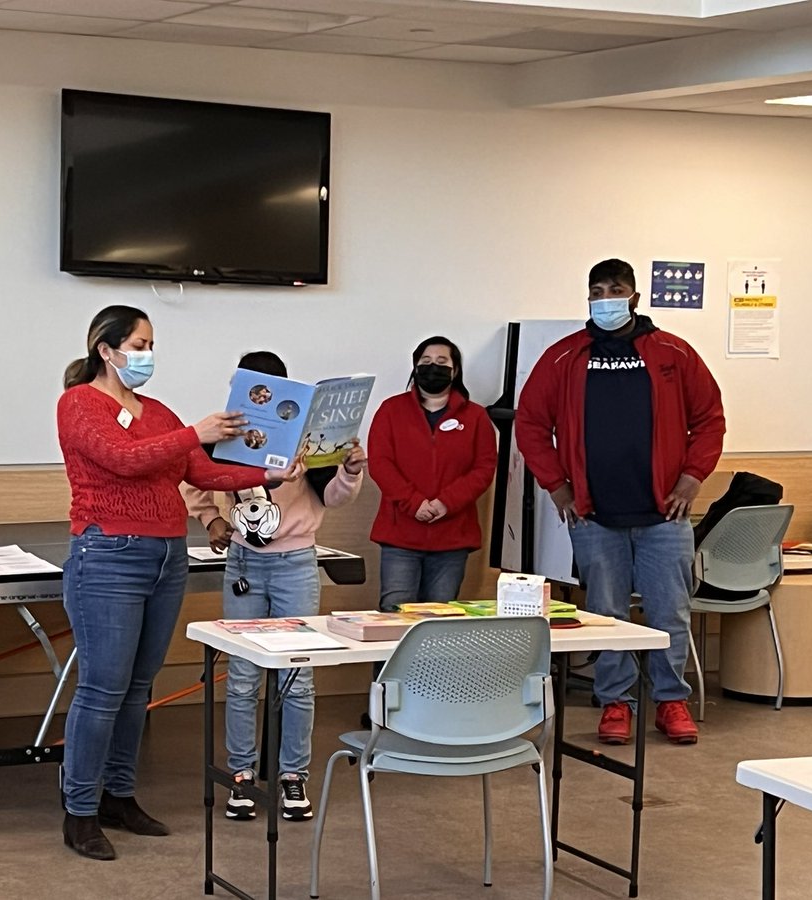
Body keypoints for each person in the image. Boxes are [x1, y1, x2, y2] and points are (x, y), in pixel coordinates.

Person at [57, 307, 303, 861]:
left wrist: (269, 473)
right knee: (102, 689)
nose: (148, 355)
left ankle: (118, 796)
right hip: (108, 557)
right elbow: (122, 459)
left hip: (167, 557)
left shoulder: (158, 410)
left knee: (139, 687)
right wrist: (197, 431)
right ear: (107, 349)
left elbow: (204, 472)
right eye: (139, 344)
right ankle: (79, 810)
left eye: (150, 344)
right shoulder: (78, 404)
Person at [516, 259, 725, 746]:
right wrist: (557, 485)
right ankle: (615, 703)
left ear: (634, 296)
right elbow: (529, 423)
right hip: (593, 514)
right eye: (596, 290)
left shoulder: (673, 353)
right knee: (606, 614)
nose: (606, 297)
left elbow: (710, 419)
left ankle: (670, 701)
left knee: (668, 611)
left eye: (616, 289)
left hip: (664, 514)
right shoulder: (564, 357)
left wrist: (693, 479)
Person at [184, 350, 365, 823]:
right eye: (253, 387)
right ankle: (241, 776)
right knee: (242, 675)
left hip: (295, 563)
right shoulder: (226, 430)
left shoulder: (306, 435)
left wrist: (349, 468)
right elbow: (193, 478)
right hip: (244, 561)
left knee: (296, 675)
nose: (262, 396)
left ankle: (292, 776)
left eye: (270, 388)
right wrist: (209, 520)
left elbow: (335, 496)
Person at [367, 336, 497, 611]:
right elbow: (380, 464)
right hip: (400, 535)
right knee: (394, 612)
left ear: (455, 370)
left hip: (452, 537)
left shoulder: (475, 417)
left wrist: (445, 503)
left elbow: (484, 469)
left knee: (439, 618)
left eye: (441, 362)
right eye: (425, 362)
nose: (433, 367)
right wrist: (414, 503)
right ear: (415, 367)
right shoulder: (391, 410)